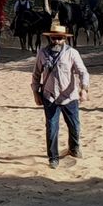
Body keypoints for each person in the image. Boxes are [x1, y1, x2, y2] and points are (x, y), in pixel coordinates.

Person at [33, 24, 90, 169]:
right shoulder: (42, 53)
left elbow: (83, 72)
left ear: (64, 39)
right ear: (50, 38)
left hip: (69, 97)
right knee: (52, 128)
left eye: (59, 38)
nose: (56, 41)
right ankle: (53, 157)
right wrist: (35, 93)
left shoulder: (72, 53)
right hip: (49, 96)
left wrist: (84, 89)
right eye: (54, 38)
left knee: (75, 126)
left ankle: (74, 148)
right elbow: (36, 74)